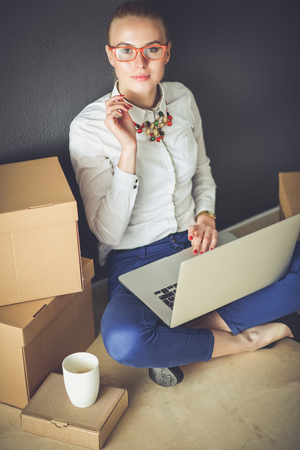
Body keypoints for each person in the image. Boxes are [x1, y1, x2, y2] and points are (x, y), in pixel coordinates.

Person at [69, 1, 300, 387]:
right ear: (112, 55)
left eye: (152, 49)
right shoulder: (88, 127)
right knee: (125, 339)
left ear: (167, 52)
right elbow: (107, 235)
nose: (139, 63)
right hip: (135, 262)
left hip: (198, 247)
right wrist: (129, 150)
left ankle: (182, 329)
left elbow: (203, 171)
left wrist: (206, 215)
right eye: (127, 51)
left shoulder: (182, 98)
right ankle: (246, 338)